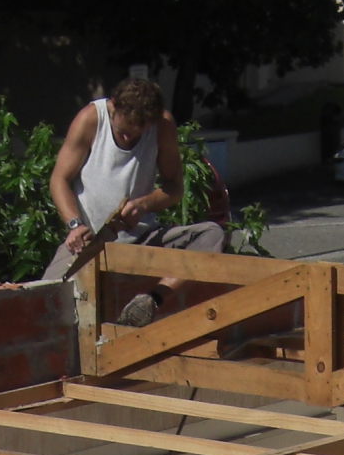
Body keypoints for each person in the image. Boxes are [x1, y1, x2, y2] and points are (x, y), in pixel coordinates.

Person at [40, 76, 225, 326]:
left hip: (143, 237)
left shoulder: (162, 126)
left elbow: (174, 187)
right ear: (113, 107)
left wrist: (144, 205)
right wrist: (74, 225)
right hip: (89, 240)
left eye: (136, 134)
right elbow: (59, 179)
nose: (128, 139)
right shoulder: (91, 119)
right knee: (43, 298)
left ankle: (150, 301)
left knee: (211, 235)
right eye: (122, 132)